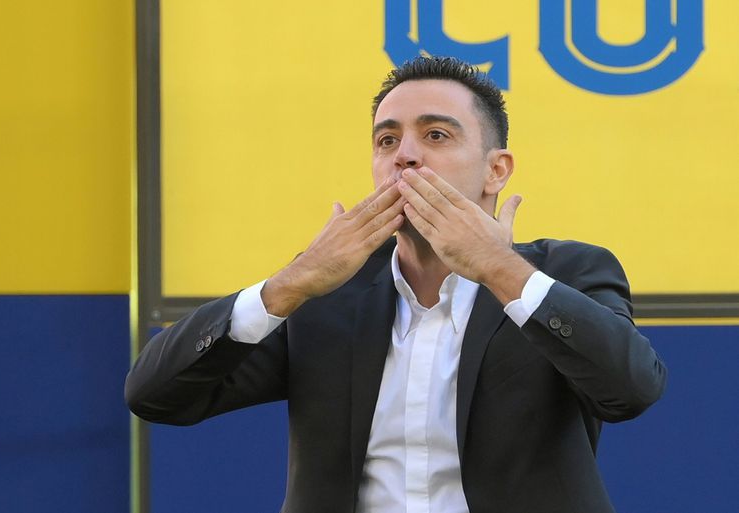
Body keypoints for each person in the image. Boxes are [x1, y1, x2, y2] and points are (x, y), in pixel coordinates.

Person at [125, 56, 667, 513]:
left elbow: (631, 389)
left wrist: (499, 269)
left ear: (496, 171)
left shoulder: (566, 274)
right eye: (387, 140)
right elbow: (155, 396)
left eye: (436, 135)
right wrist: (288, 285)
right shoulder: (326, 296)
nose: (404, 155)